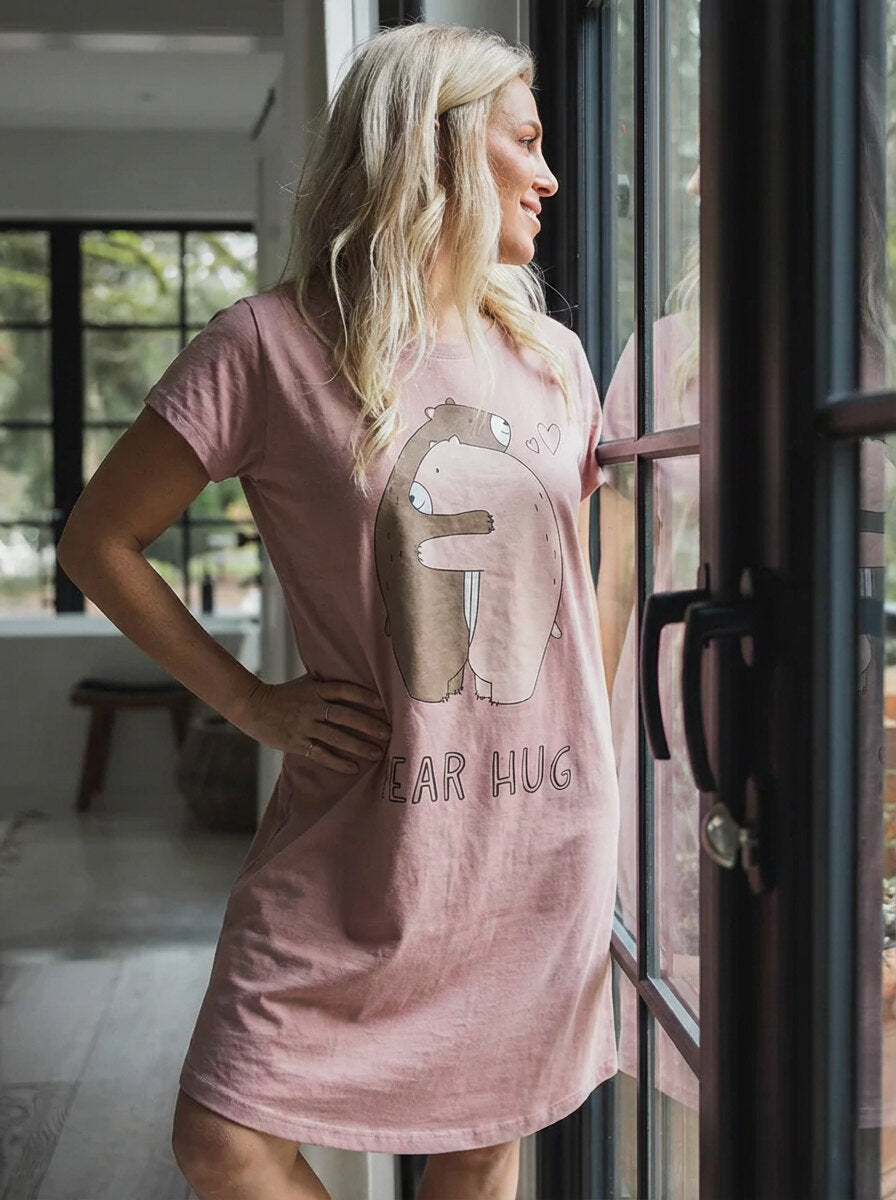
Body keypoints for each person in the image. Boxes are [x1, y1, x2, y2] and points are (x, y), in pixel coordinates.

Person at [58, 22, 619, 1200]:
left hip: (536, 837)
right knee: (222, 1137)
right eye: (524, 141)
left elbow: (587, 587)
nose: (548, 174)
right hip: (358, 834)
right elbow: (99, 540)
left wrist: (597, 760)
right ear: (441, 147)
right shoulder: (263, 344)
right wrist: (249, 702)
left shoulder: (555, 358)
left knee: (478, 1136)